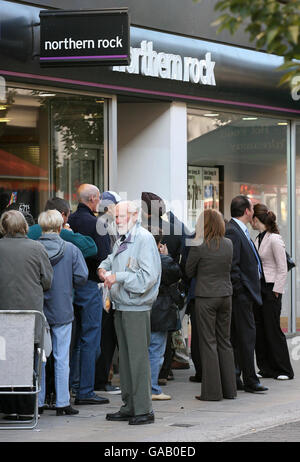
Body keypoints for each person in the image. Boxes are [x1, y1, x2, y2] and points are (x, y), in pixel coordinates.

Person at [98, 201, 161, 425]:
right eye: (115, 217)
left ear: (135, 215)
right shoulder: (125, 237)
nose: (117, 221)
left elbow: (147, 278)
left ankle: (143, 409)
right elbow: (113, 259)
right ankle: (130, 406)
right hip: (122, 305)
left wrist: (118, 277)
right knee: (125, 361)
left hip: (136, 306)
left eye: (121, 216)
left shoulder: (143, 238)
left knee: (137, 359)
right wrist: (103, 268)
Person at [0, 210, 53, 420]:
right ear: (25, 226)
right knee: (28, 360)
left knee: (4, 358)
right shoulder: (36, 248)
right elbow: (47, 281)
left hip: (3, 313)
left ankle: (7, 405)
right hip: (29, 314)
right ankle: (25, 408)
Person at [38, 210, 89, 416]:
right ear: (60, 227)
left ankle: (39, 401)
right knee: (61, 357)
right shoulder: (70, 249)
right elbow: (82, 277)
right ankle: (62, 402)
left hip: (38, 308)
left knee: (39, 357)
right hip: (63, 308)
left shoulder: (35, 249)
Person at [185, 209, 236, 401]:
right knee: (224, 341)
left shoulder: (199, 245)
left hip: (206, 296)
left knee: (208, 343)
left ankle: (212, 392)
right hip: (226, 295)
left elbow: (189, 271)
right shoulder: (229, 244)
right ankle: (230, 390)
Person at [68, 184, 110, 405]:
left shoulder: (69, 221)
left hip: (67, 286)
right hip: (90, 283)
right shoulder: (97, 224)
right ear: (93, 199)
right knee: (90, 337)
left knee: (72, 339)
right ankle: (85, 390)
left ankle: (71, 386)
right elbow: (104, 257)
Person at [225, 195, 268, 393]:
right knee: (246, 337)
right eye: (252, 209)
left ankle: (239, 377)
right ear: (247, 211)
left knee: (241, 337)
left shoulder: (238, 230)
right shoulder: (233, 231)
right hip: (241, 295)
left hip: (246, 294)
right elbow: (233, 266)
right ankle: (250, 379)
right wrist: (241, 291)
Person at [251, 203, 294, 380]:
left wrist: (277, 291)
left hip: (271, 289)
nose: (250, 221)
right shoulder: (258, 238)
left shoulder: (274, 239)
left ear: (257, 219)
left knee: (273, 329)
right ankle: (266, 368)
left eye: (252, 217)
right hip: (259, 288)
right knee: (259, 329)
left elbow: (282, 267)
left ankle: (284, 369)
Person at [149, 229, 182, 401]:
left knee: (142, 350)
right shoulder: (162, 260)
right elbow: (175, 273)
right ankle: (153, 388)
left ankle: (140, 386)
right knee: (156, 349)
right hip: (160, 309)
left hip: (141, 308)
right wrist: (166, 256)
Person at [94, 190, 121, 395]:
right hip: (104, 287)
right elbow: (108, 255)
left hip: (103, 284)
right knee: (106, 335)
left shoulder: (107, 224)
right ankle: (101, 378)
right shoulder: (104, 225)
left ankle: (102, 376)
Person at [28, 197, 98, 258]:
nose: (68, 220)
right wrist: (70, 233)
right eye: (68, 216)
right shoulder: (63, 232)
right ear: (62, 215)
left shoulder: (29, 230)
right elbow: (91, 248)